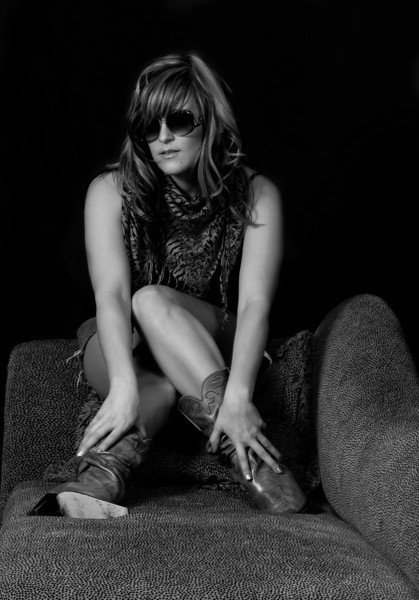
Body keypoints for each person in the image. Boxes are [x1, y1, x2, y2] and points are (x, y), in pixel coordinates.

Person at [30, 50, 308, 518]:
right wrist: (122, 385)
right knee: (152, 386)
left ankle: (244, 452)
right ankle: (104, 479)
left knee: (151, 299)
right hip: (129, 342)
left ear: (210, 122)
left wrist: (239, 394)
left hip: (210, 336)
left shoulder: (257, 194)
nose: (162, 138)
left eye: (179, 121)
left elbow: (256, 304)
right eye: (149, 126)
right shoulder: (110, 192)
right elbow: (111, 296)